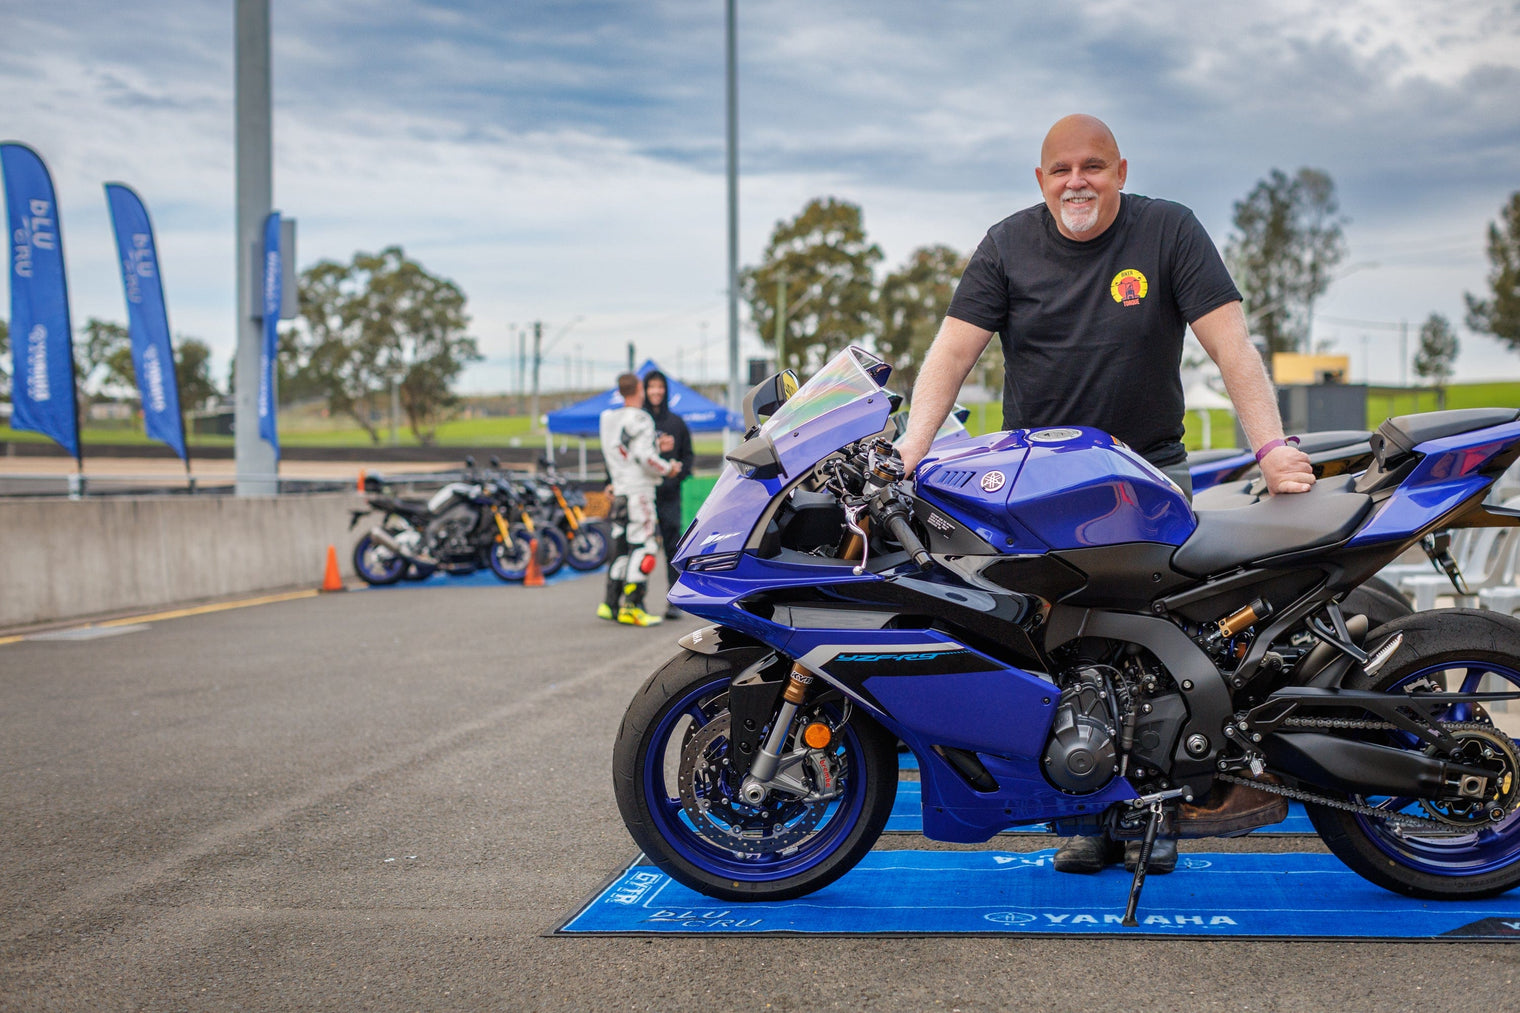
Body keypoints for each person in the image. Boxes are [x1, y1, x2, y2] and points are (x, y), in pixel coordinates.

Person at [895, 113, 1315, 876]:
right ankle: (1085, 815)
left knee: (1150, 658)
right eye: (1062, 169)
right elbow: (951, 354)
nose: (1077, 181)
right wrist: (910, 451)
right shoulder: (1006, 244)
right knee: (1059, 655)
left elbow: (1231, 346)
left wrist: (1274, 448)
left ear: (1121, 170)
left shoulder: (1169, 232)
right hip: (1039, 489)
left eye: (1093, 167)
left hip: (1150, 477)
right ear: (1041, 180)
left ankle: (1157, 818)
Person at [597, 372, 682, 627]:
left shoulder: (608, 419)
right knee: (645, 547)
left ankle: (610, 603)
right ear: (639, 390)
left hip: (621, 489)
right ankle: (633, 605)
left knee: (622, 547)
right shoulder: (642, 418)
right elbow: (645, 457)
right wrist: (669, 467)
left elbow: (625, 451)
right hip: (639, 491)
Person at [643, 370, 695, 619]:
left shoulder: (676, 423)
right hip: (642, 495)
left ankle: (674, 600)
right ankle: (634, 602)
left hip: (668, 497)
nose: (655, 391)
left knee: (672, 548)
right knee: (640, 547)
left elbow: (688, 458)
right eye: (651, 387)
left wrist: (677, 475)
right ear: (644, 390)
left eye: (659, 387)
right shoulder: (638, 420)